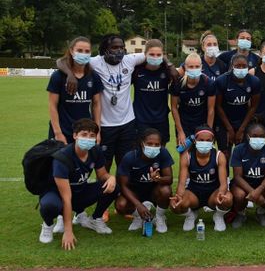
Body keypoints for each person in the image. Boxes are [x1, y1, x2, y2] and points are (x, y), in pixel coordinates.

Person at [57, 34, 177, 171]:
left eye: (122, 47)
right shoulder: (96, 62)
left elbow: (156, 53)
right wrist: (69, 74)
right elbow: (62, 61)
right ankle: (105, 190)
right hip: (105, 123)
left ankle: (122, 191)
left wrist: (169, 64)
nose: (119, 50)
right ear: (105, 49)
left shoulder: (130, 60)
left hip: (127, 122)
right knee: (104, 162)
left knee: (125, 163)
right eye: (114, 47)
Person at [38, 119, 117, 249]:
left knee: (113, 187)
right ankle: (47, 225)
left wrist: (111, 177)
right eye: (84, 134)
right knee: (50, 205)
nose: (88, 138)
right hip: (58, 194)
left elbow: (102, 175)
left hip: (79, 191)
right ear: (75, 135)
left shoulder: (95, 151)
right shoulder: (62, 157)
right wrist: (69, 231)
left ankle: (95, 219)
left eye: (92, 135)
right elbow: (66, 197)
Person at [170, 126, 233, 232]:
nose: (205, 142)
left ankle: (218, 216)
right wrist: (179, 197)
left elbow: (223, 184)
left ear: (213, 141)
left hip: (213, 194)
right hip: (194, 194)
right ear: (195, 141)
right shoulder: (187, 156)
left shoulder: (219, 155)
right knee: (176, 206)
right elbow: (181, 183)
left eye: (208, 140)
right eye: (201, 140)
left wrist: (221, 194)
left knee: (228, 198)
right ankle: (190, 215)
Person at [115, 128, 174, 233]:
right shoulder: (130, 157)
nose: (153, 147)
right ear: (142, 143)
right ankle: (139, 217)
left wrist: (158, 179)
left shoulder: (163, 153)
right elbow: (123, 186)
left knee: (166, 190)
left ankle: (160, 217)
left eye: (157, 144)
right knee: (121, 205)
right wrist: (138, 205)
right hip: (135, 192)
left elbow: (169, 179)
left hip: (154, 192)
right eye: (149, 144)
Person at [47, 37, 103, 144]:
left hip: (85, 132)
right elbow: (52, 105)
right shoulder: (58, 76)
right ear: (72, 51)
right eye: (79, 50)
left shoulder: (94, 77)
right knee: (61, 160)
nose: (83, 54)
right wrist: (58, 133)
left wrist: (97, 131)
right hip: (63, 131)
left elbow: (96, 104)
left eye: (87, 51)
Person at [229, 122, 265, 228]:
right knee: (239, 195)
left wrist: (259, 190)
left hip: (261, 184)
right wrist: (253, 192)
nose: (258, 139)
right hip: (242, 184)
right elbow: (237, 177)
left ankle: (260, 212)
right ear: (247, 136)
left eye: (262, 136)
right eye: (255, 136)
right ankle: (241, 214)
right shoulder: (238, 150)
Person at [215, 53, 261, 153]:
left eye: (244, 66)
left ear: (248, 67)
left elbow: (253, 106)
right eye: (237, 66)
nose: (241, 68)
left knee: (244, 154)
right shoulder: (221, 81)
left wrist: (241, 129)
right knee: (225, 154)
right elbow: (218, 106)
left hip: (243, 121)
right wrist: (229, 129)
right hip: (224, 122)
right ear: (232, 66)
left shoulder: (254, 81)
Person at [170, 53, 216, 145]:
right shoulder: (177, 84)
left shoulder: (208, 83)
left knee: (201, 155)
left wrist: (209, 131)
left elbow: (211, 109)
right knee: (183, 154)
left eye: (197, 66)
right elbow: (174, 108)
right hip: (184, 124)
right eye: (191, 67)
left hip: (202, 124)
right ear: (185, 67)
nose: (194, 69)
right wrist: (180, 132)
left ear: (201, 67)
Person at [132, 39, 171, 145]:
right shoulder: (136, 70)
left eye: (158, 54)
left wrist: (168, 63)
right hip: (140, 120)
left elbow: (177, 76)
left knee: (161, 151)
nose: (155, 57)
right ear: (145, 54)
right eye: (152, 54)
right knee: (140, 152)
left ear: (163, 55)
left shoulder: (167, 70)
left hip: (161, 120)